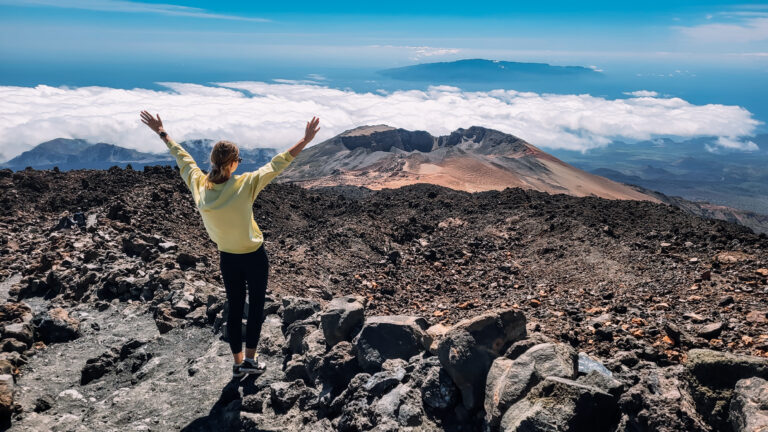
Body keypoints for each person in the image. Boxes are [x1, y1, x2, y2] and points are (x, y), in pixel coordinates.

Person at [140, 110, 320, 379]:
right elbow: (277, 163)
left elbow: (182, 157)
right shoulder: (245, 184)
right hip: (254, 256)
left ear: (212, 162)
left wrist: (162, 132)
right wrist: (305, 140)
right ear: (234, 163)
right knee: (256, 306)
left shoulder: (199, 185)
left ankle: (237, 364)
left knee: (235, 308)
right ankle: (251, 359)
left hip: (227, 258)